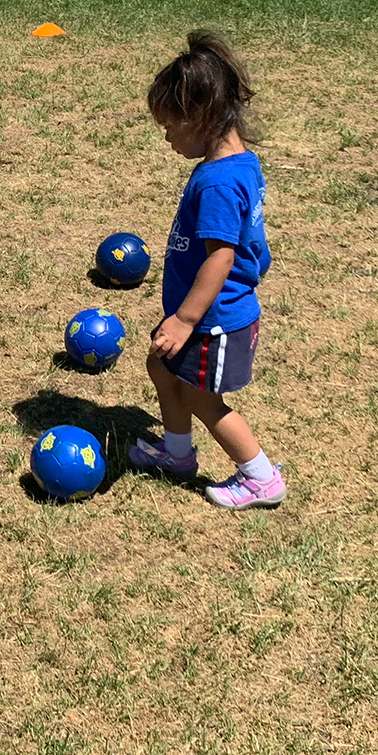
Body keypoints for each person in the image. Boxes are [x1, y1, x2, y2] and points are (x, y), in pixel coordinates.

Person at [127, 32, 282, 510]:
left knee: (202, 399)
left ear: (199, 115)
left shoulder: (218, 183)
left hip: (214, 320)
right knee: (160, 365)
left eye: (170, 126)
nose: (167, 137)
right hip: (203, 312)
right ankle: (177, 454)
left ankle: (260, 477)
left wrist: (185, 319)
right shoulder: (240, 164)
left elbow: (222, 257)